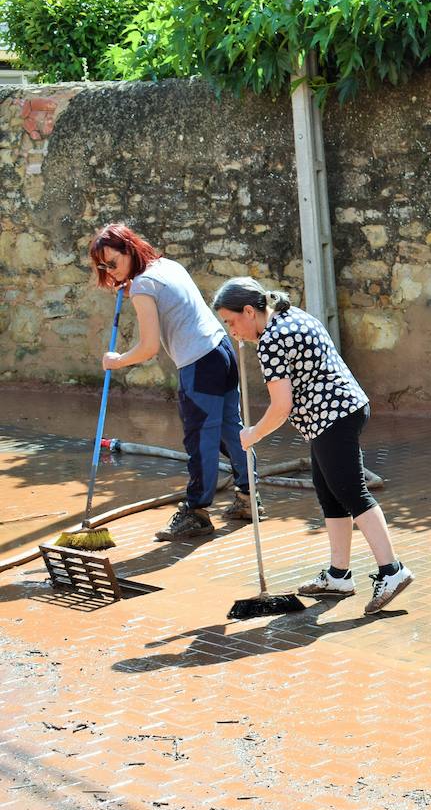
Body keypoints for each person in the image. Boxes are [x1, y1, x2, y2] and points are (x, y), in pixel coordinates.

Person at [211, 278, 413, 615]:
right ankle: (339, 575)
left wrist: (253, 434)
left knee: (352, 493)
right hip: (342, 410)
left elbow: (281, 406)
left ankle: (392, 571)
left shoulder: (271, 341)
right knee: (329, 491)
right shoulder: (292, 316)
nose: (233, 331)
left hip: (331, 417)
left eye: (232, 321)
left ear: (249, 311)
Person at [89, 223, 253, 540]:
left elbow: (149, 347)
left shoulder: (142, 286)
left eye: (113, 263)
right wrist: (131, 283)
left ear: (129, 250)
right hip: (222, 351)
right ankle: (249, 497)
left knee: (200, 439)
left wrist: (116, 360)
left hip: (199, 363)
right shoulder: (165, 266)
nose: (110, 272)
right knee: (230, 429)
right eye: (103, 267)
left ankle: (196, 513)